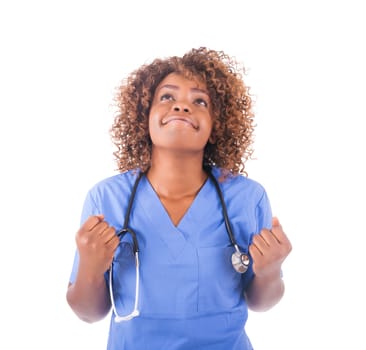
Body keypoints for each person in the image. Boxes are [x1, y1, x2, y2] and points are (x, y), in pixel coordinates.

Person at [66, 47, 292, 349]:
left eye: (199, 101)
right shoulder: (107, 199)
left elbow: (261, 302)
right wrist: (91, 269)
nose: (182, 107)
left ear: (215, 125)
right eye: (167, 97)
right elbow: (88, 312)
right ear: (144, 115)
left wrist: (270, 272)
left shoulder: (246, 198)